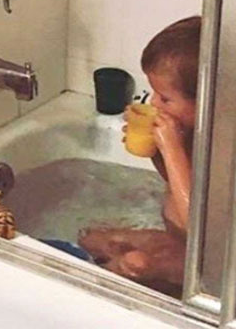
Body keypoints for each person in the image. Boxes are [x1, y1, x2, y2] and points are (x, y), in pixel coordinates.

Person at [79, 16, 201, 297]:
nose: (154, 103)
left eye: (165, 98)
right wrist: (156, 152)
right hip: (177, 240)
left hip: (202, 266)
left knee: (135, 263)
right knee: (92, 238)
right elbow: (176, 182)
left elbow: (198, 227)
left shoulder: (224, 152)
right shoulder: (190, 131)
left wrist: (170, 148)